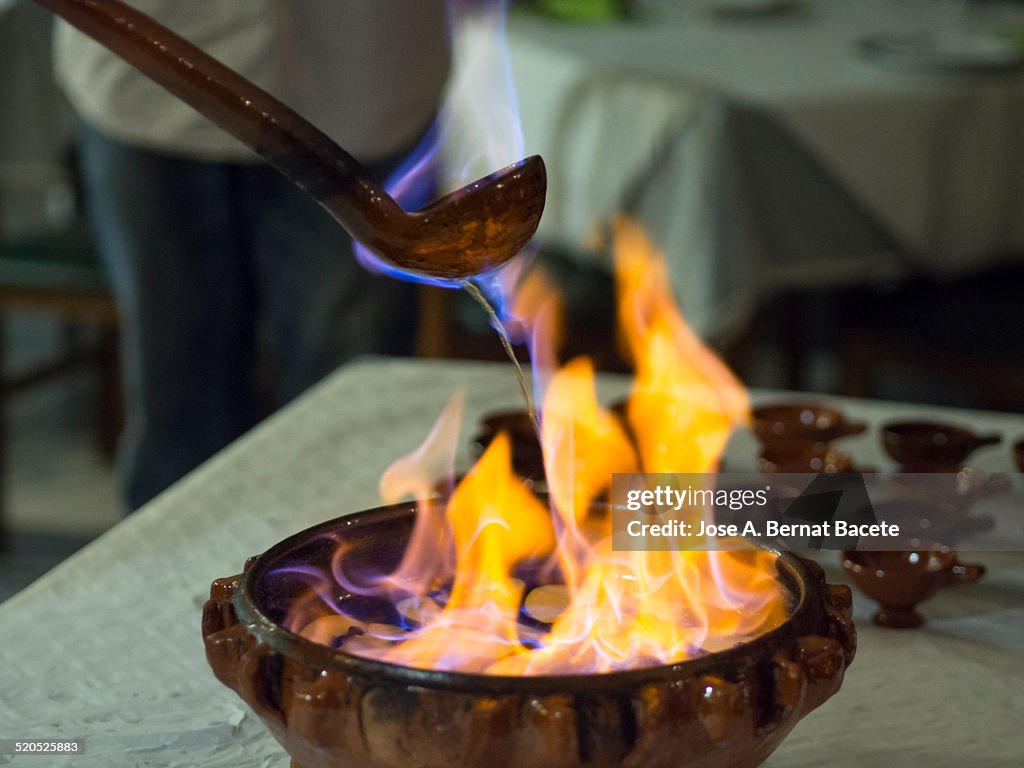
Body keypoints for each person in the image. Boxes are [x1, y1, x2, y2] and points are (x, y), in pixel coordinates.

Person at [53, 0, 451, 510]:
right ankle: (188, 586)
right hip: (144, 82)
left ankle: (349, 583)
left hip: (366, 80)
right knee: (179, 404)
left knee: (350, 406)